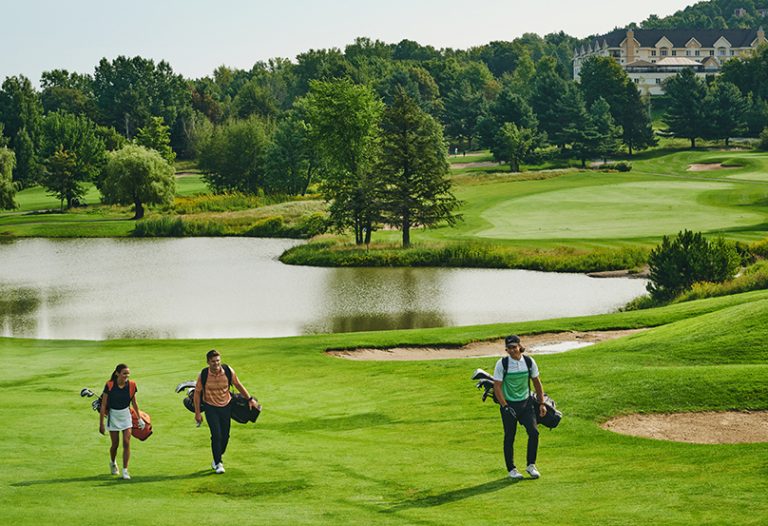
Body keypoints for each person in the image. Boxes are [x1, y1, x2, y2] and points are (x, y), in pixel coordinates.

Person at [194, 349, 260, 474]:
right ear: (208, 362)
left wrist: (250, 399)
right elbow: (197, 394)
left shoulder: (228, 371)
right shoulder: (203, 375)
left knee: (225, 436)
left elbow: (238, 384)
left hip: (226, 406)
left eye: (218, 360)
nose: (216, 363)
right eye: (213, 361)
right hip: (210, 407)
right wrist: (197, 413)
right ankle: (218, 462)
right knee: (216, 435)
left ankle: (217, 454)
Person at [492, 335, 547, 480]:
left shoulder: (528, 362)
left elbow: (537, 383)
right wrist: (504, 406)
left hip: (526, 404)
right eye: (509, 348)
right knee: (510, 437)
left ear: (519, 346)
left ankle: (531, 465)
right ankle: (512, 469)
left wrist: (542, 403)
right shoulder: (502, 364)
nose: (512, 350)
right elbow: (496, 387)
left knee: (534, 432)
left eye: (514, 347)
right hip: (509, 405)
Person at [99, 363, 143, 480]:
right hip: (113, 416)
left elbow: (134, 402)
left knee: (126, 442)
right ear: (117, 373)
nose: (126, 376)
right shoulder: (109, 385)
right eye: (124, 373)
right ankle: (113, 463)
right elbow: (103, 405)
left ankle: (125, 470)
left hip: (126, 415)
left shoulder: (132, 385)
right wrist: (101, 424)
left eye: (128, 374)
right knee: (115, 444)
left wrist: (139, 418)